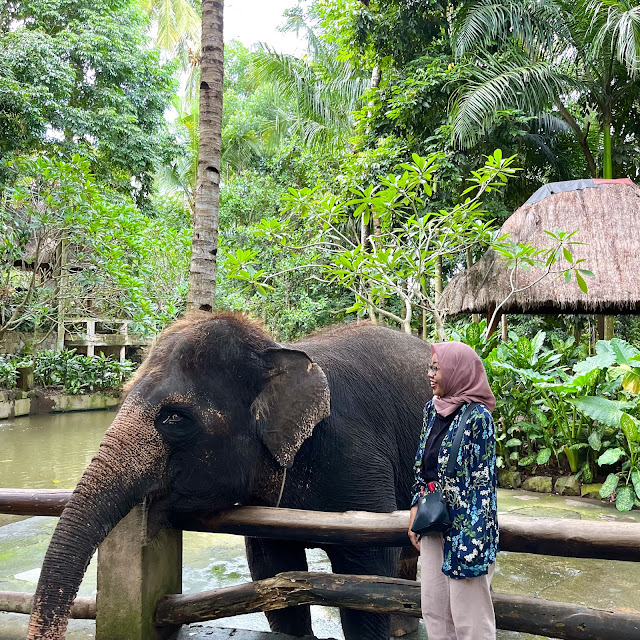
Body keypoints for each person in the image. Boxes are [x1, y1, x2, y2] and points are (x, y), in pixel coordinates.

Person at [408, 341, 498, 640]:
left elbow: (482, 485)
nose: (430, 374)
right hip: (434, 522)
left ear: (457, 371)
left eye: (437, 368)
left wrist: (469, 548)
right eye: (430, 367)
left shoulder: (478, 418)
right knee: (434, 611)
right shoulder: (430, 411)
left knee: (470, 619)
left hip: (468, 531)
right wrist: (415, 508)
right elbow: (421, 467)